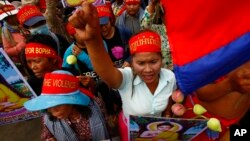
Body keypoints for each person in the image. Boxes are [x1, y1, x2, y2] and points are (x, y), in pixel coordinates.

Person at [68, 2, 177, 140]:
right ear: (132, 61)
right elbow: (106, 71)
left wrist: (167, 118)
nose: (148, 69)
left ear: (161, 59)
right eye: (141, 63)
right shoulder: (127, 78)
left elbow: (169, 103)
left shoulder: (170, 77)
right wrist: (91, 40)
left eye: (153, 62)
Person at [24, 70, 111, 141]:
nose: (53, 113)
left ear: (72, 101)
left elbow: (106, 126)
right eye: (49, 107)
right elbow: (46, 136)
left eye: (57, 106)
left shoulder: (96, 104)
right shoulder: (47, 118)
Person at [0, 0, 27, 74]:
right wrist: (21, 45)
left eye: (11, 16)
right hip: (22, 63)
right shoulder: (5, 31)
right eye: (6, 19)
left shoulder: (25, 22)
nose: (9, 20)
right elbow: (7, 51)